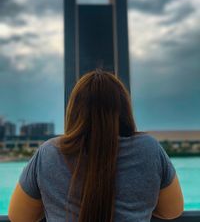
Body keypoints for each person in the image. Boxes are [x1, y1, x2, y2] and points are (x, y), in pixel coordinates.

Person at [8, 69, 184, 222]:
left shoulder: (50, 152)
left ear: (74, 112)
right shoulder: (149, 149)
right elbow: (172, 210)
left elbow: (19, 216)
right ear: (124, 110)